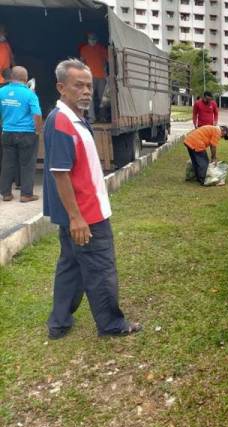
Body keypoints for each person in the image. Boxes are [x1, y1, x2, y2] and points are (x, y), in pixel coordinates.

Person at [43, 58, 141, 339]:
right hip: (86, 216)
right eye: (79, 86)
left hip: (83, 212)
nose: (86, 91)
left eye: (89, 85)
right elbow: (60, 174)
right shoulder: (62, 122)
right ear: (62, 87)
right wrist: (76, 217)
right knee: (100, 269)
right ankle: (111, 323)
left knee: (71, 268)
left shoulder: (74, 119)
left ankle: (59, 323)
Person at [0, 66, 42, 202]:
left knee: (7, 163)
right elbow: (37, 114)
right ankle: (26, 194)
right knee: (27, 164)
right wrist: (38, 130)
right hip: (27, 133)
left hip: (7, 132)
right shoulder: (30, 94)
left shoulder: (2, 91)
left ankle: (6, 193)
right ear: (25, 79)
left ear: (11, 77)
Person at [79, 32, 108, 124]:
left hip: (101, 76)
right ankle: (92, 117)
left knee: (102, 98)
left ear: (97, 40)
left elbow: (108, 61)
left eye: (94, 39)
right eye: (91, 39)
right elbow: (82, 62)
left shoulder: (101, 49)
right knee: (89, 97)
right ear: (88, 40)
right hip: (89, 77)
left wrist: (107, 73)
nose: (92, 41)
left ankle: (103, 117)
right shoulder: (84, 49)